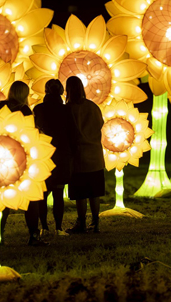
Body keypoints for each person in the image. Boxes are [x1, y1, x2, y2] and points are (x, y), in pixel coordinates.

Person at [0, 80, 48, 246]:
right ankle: (33, 235)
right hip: (21, 158)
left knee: (4, 199)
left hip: (2, 157)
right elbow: (30, 132)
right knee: (31, 198)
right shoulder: (24, 110)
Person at [65, 76, 105, 233]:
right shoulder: (93, 106)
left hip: (79, 157)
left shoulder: (69, 108)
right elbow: (100, 125)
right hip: (95, 155)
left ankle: (81, 223)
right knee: (94, 192)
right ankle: (95, 222)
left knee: (80, 193)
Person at [33, 79, 73, 237]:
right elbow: (71, 132)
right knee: (58, 193)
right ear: (61, 91)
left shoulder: (39, 109)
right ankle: (58, 227)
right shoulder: (66, 110)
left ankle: (44, 227)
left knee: (42, 194)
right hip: (62, 154)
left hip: (43, 154)